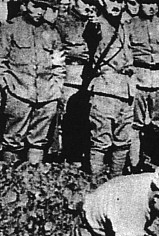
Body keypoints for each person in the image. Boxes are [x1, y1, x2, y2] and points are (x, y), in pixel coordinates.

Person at [0, 0, 65, 165]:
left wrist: (56, 87)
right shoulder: (9, 28)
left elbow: (59, 63)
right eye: (35, 6)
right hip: (18, 92)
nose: (40, 11)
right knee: (12, 139)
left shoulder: (51, 31)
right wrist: (6, 85)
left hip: (47, 94)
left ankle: (33, 180)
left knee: (39, 141)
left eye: (43, 7)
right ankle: (9, 180)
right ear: (24, 6)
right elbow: (1, 60)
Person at [83, 0, 135, 177]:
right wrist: (93, 20)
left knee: (122, 142)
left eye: (120, 1)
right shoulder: (97, 24)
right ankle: (95, 184)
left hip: (126, 91)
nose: (116, 5)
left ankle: (116, 183)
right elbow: (91, 33)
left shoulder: (125, 27)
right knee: (101, 140)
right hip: (105, 89)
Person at [129, 0, 159, 171]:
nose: (152, 7)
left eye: (155, 3)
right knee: (135, 124)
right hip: (139, 78)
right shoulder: (130, 25)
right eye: (147, 3)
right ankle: (134, 164)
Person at [56, 0, 94, 165]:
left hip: (92, 78)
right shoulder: (63, 23)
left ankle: (82, 156)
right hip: (71, 76)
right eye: (84, 1)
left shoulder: (98, 23)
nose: (88, 6)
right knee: (67, 118)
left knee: (87, 119)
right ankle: (67, 157)